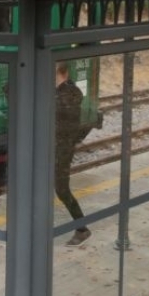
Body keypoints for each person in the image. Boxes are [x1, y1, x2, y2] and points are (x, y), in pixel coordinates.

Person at [54, 62, 93, 246]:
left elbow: (62, 116)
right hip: (49, 148)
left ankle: (82, 228)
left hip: (61, 150)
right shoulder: (55, 92)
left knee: (62, 190)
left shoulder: (70, 93)